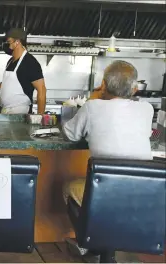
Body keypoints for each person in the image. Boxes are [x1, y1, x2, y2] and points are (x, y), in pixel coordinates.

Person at [61, 60, 154, 256]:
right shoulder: (147, 109)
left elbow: (69, 134)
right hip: (146, 195)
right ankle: (109, 246)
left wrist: (93, 98)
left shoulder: (92, 107)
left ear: (103, 84)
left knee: (69, 188)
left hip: (106, 194)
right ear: (135, 89)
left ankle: (89, 245)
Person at [0, 28, 46, 114]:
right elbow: (10, 83)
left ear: (17, 42)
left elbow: (42, 90)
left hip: (20, 111)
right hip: (6, 110)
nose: (7, 45)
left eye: (9, 42)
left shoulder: (30, 62)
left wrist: (40, 116)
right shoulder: (10, 61)